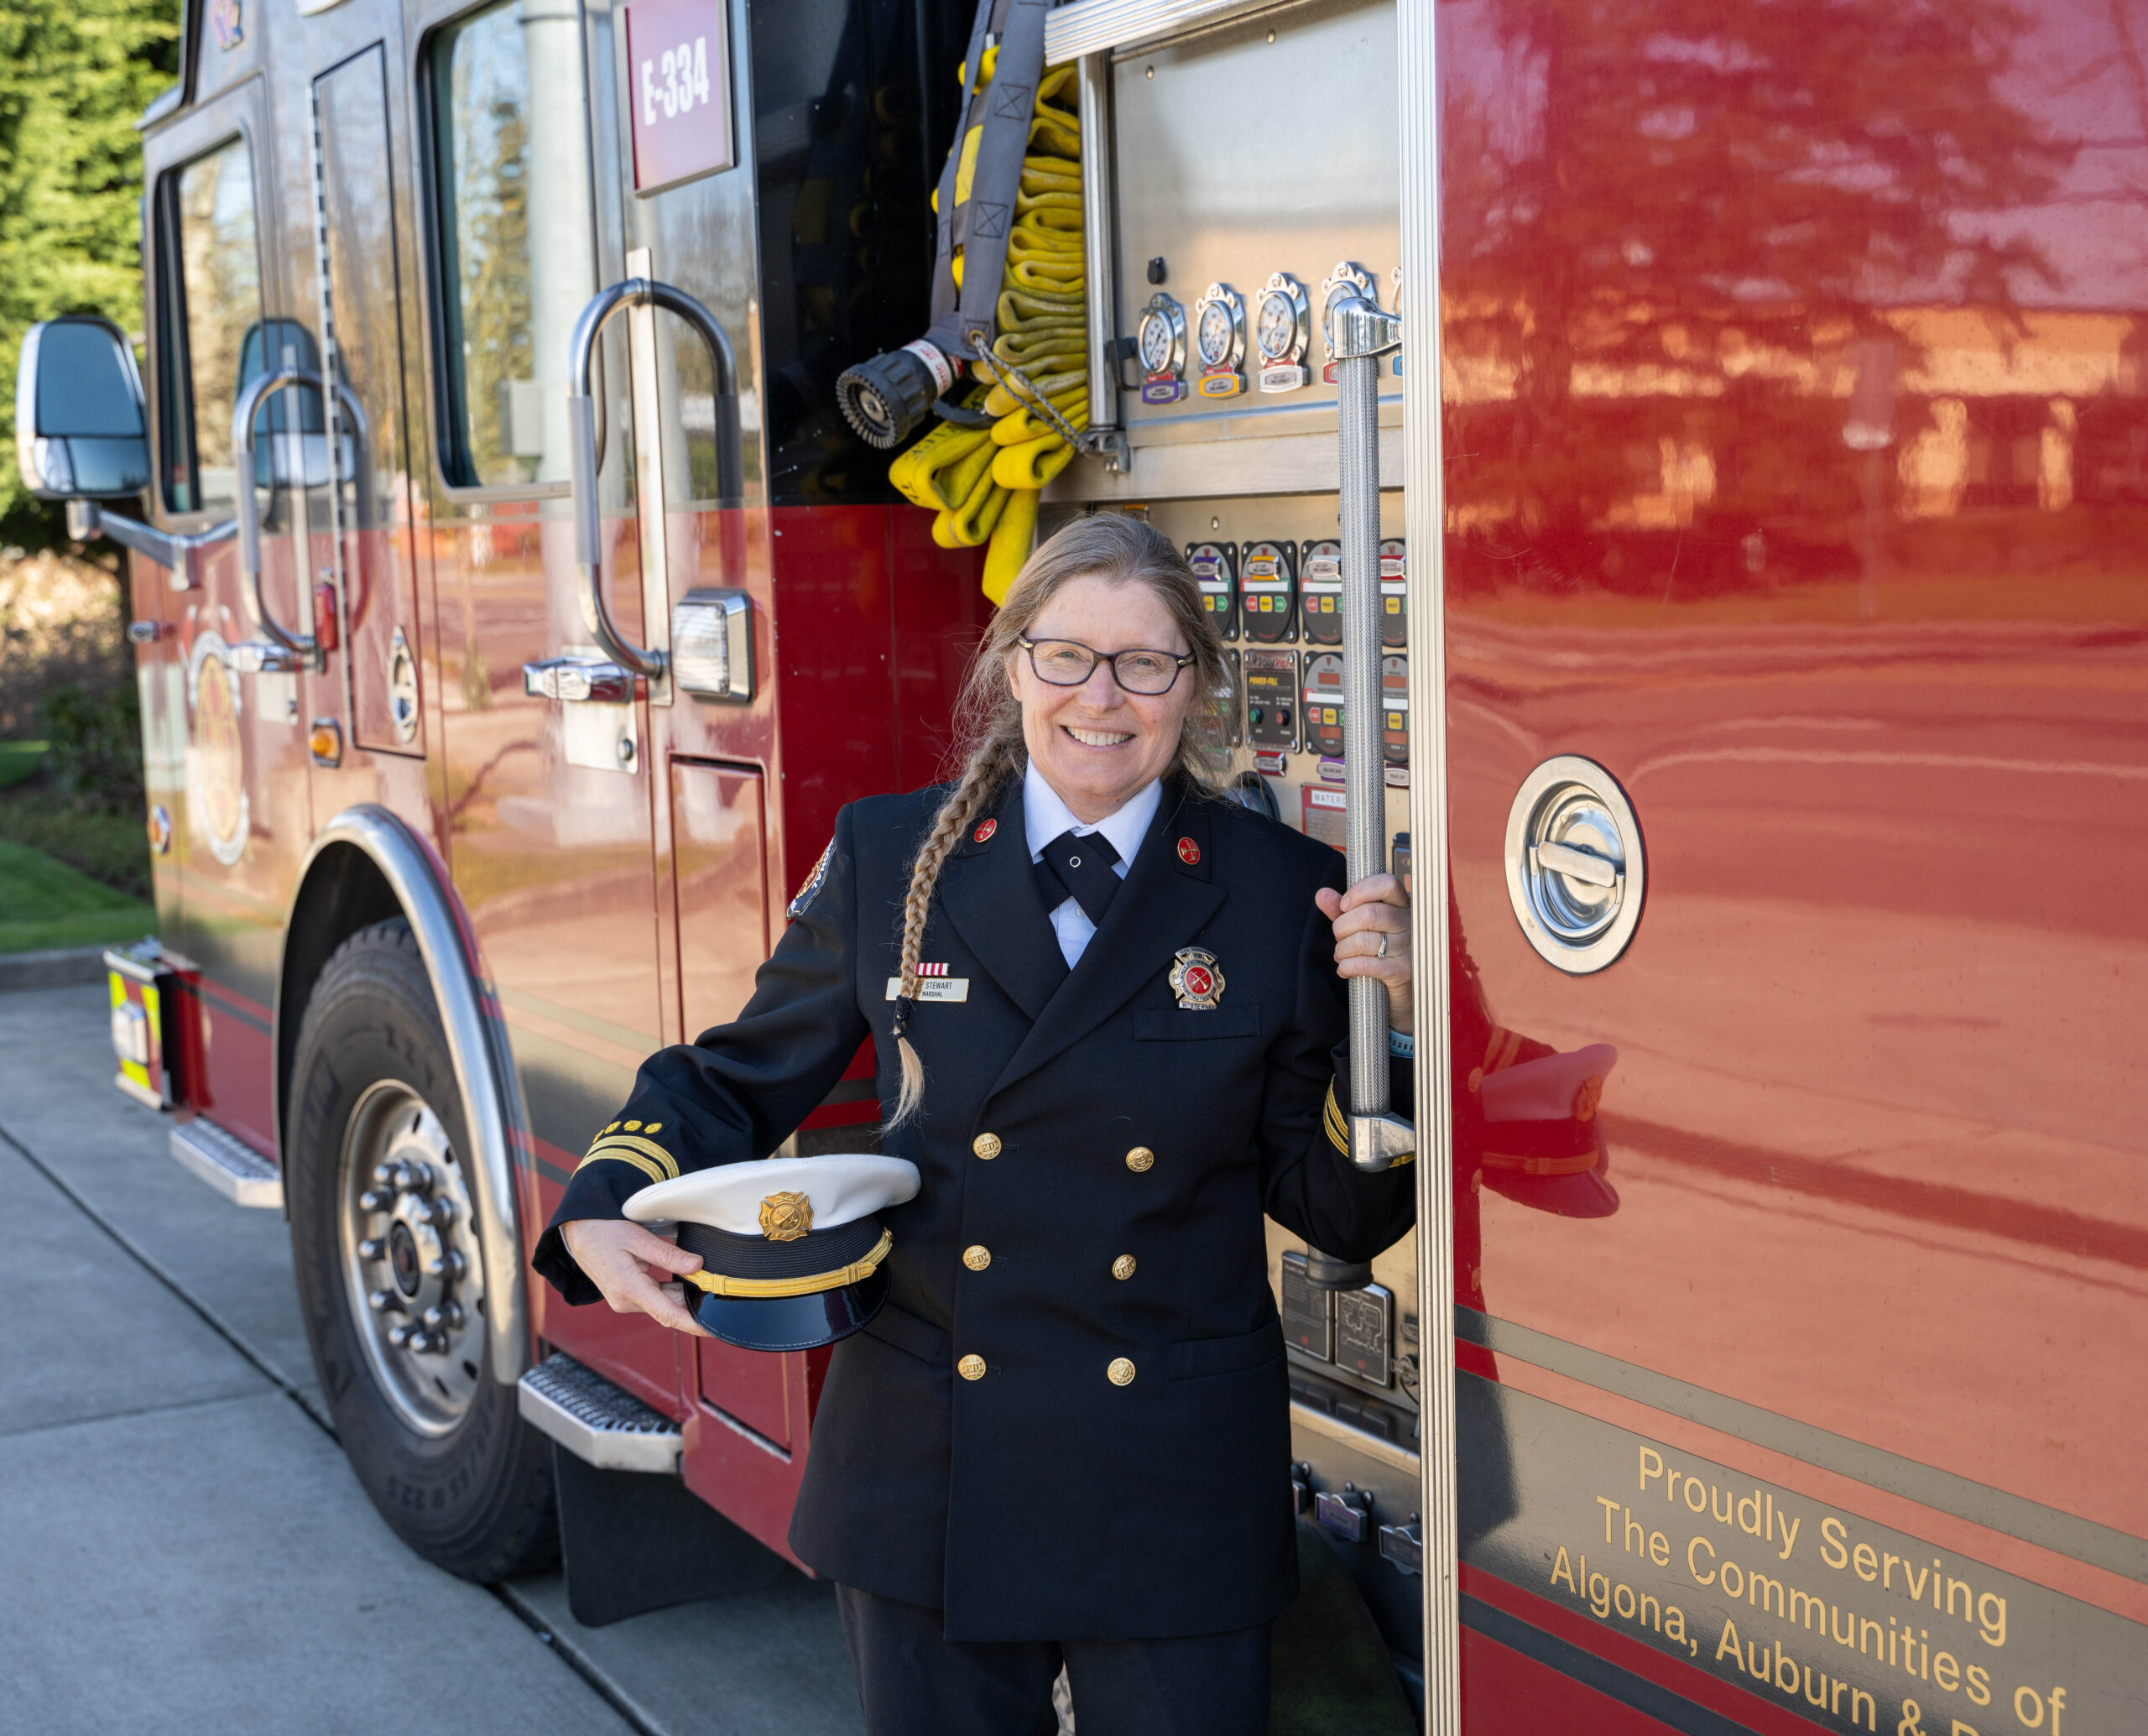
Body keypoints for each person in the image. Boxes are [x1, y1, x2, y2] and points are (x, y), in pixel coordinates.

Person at [533, 513, 1417, 1735]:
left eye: (1144, 663)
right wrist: (597, 1208)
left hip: (1168, 1476)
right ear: (1013, 666)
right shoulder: (892, 853)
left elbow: (1338, 1208)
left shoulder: (1272, 889)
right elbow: (736, 1076)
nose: (1101, 697)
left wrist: (1400, 1038)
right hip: (932, 1463)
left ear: (1194, 684)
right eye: (1068, 655)